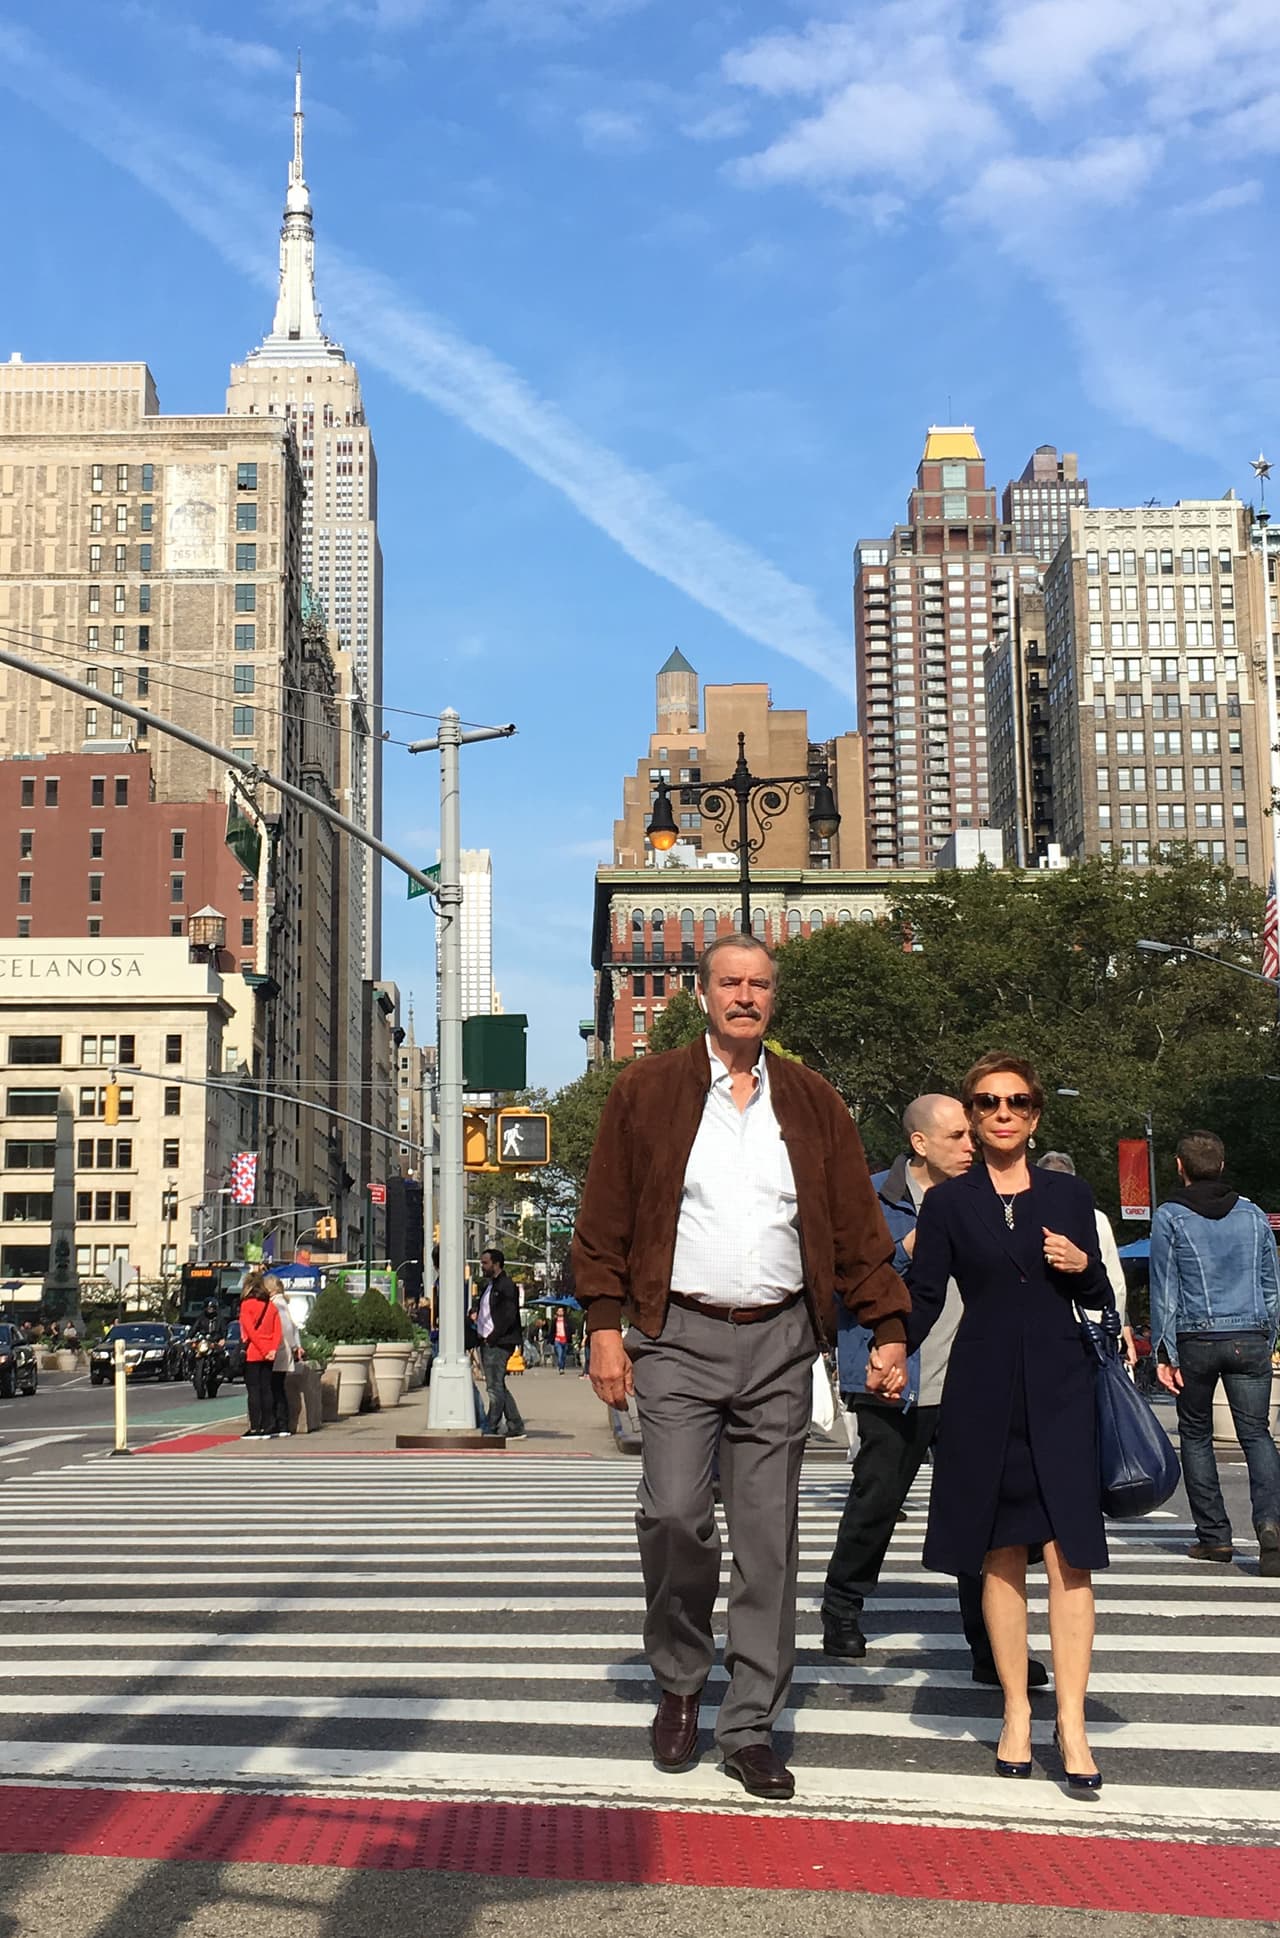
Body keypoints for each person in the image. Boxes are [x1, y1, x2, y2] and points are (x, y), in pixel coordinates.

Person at [573, 934, 908, 1802]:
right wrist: (603, 1326)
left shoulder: (811, 1099)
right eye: (730, 982)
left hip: (780, 1341)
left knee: (768, 1542)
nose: (745, 996)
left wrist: (888, 1325)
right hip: (675, 1337)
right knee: (676, 1514)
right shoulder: (645, 1092)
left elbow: (853, 1228)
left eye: (760, 984)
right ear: (701, 994)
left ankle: (750, 1722)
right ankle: (681, 1679)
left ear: (774, 1000)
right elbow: (604, 1214)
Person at [906, 1053, 1113, 1793]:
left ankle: (1076, 1725)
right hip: (983, 1389)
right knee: (1000, 1554)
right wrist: (889, 1345)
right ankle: (1017, 1713)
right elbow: (926, 1294)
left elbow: (1096, 1292)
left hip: (1061, 1387)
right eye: (988, 1102)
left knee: (1070, 1557)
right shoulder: (949, 1205)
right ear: (972, 1113)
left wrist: (1081, 1262)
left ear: (1035, 1114)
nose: (1003, 1113)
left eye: (1017, 1101)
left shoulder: (1068, 1191)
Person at [821, 1094, 1048, 1691]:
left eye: (970, 1137)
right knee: (877, 1501)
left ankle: (991, 1647)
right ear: (920, 1143)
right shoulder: (870, 1198)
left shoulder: (988, 1198)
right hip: (892, 1375)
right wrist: (907, 1249)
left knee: (983, 1515)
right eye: (956, 1138)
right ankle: (842, 1609)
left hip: (974, 1379)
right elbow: (840, 1283)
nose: (970, 1147)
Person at [1149, 1130, 1280, 1574]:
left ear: (1180, 1167)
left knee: (1196, 1435)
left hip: (1196, 1339)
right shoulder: (1253, 1214)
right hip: (1250, 1336)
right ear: (1222, 1165)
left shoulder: (1170, 1215)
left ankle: (1215, 1537)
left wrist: (1164, 1353)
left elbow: (1165, 1287)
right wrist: (1268, 1334)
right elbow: (1271, 1283)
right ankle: (1270, 1526)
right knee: (1257, 1434)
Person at [1037, 1153, 1136, 1367]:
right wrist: (1115, 1330)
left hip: (1048, 1330)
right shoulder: (1097, 1218)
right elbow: (1115, 1282)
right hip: (1095, 1327)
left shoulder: (1030, 1219)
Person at [476, 1248, 527, 1440]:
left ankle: (491, 1424)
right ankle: (515, 1425)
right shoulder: (490, 1286)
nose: (482, 1266)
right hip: (488, 1341)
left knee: (493, 1387)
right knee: (498, 1385)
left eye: (485, 1263)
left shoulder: (506, 1285)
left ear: (496, 1264)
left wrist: (493, 1337)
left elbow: (508, 1315)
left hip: (498, 1343)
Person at [238, 1271, 283, 1442]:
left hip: (254, 1352)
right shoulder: (270, 1306)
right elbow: (277, 1330)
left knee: (254, 1391)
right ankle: (268, 1425)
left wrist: (263, 1349)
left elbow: (250, 1332)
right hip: (269, 1354)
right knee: (267, 1389)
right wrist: (272, 1349)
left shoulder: (246, 1305)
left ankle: (255, 1427)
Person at [266, 1276, 304, 1440]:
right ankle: (281, 1424)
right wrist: (296, 1345)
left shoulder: (276, 1304)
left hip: (278, 1351)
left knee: (274, 1389)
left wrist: (294, 1346)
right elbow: (293, 1327)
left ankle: (279, 1423)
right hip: (283, 1351)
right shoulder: (282, 1302)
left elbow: (286, 1328)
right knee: (278, 1388)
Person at [552, 1303, 570, 1374]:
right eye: (559, 1311)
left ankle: (562, 1366)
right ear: (557, 1312)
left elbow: (570, 1329)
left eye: (561, 1311)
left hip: (565, 1340)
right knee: (560, 1354)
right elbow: (552, 1330)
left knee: (564, 1355)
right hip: (557, 1340)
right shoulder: (555, 1321)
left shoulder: (566, 1320)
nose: (560, 1312)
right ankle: (560, 1368)